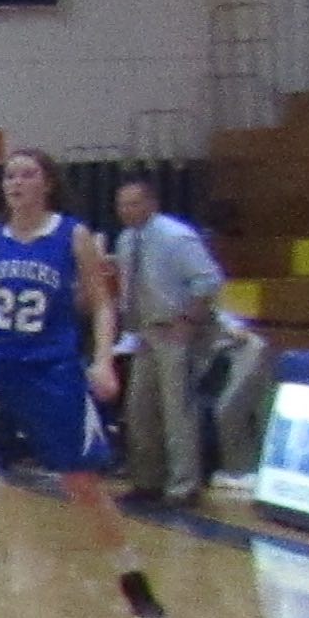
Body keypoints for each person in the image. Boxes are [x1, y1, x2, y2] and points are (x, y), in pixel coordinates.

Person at [0, 148, 160, 618]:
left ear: (47, 183)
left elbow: (101, 304)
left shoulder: (73, 236)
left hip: (51, 371)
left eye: (27, 174)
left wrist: (103, 360)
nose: (16, 183)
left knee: (81, 480)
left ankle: (132, 578)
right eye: (9, 175)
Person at [103, 177, 226, 502]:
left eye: (133, 203)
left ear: (151, 204)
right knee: (140, 409)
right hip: (144, 331)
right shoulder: (127, 240)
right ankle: (147, 479)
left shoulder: (176, 236)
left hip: (175, 330)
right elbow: (130, 288)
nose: (126, 211)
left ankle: (184, 486)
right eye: (121, 204)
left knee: (178, 411)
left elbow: (209, 280)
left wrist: (188, 321)